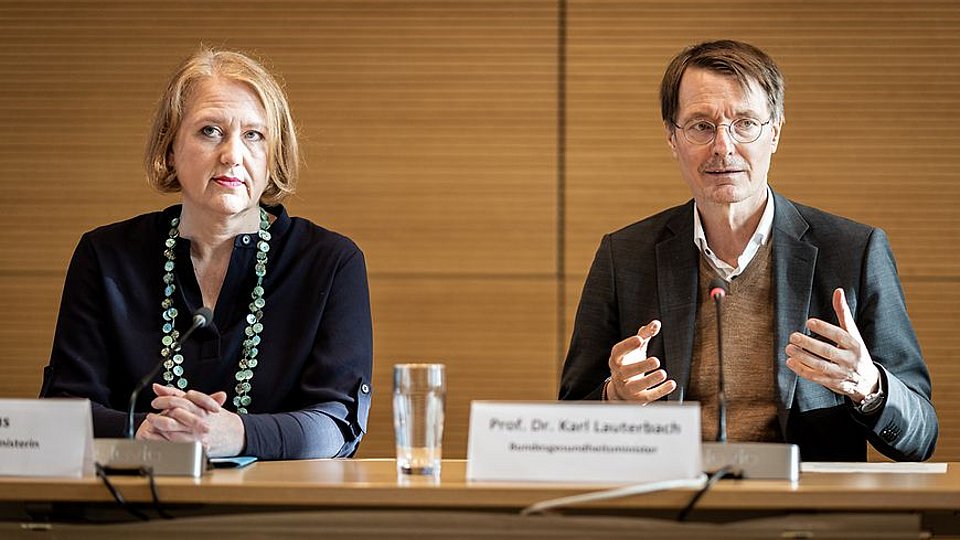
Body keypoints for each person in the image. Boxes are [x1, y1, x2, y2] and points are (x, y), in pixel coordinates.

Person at [559, 40, 937, 462]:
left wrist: (869, 387)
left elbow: (920, 438)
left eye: (745, 124)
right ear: (672, 138)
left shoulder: (852, 251)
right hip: (667, 505)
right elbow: (571, 418)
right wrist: (615, 398)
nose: (723, 146)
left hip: (803, 513)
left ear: (774, 132)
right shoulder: (625, 255)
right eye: (701, 126)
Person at [40, 48, 373, 460]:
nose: (232, 154)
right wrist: (144, 428)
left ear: (274, 155)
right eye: (210, 131)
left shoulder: (330, 262)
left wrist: (236, 433)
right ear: (169, 151)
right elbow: (62, 411)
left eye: (254, 135)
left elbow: (337, 424)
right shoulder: (106, 256)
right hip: (129, 506)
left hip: (281, 510)